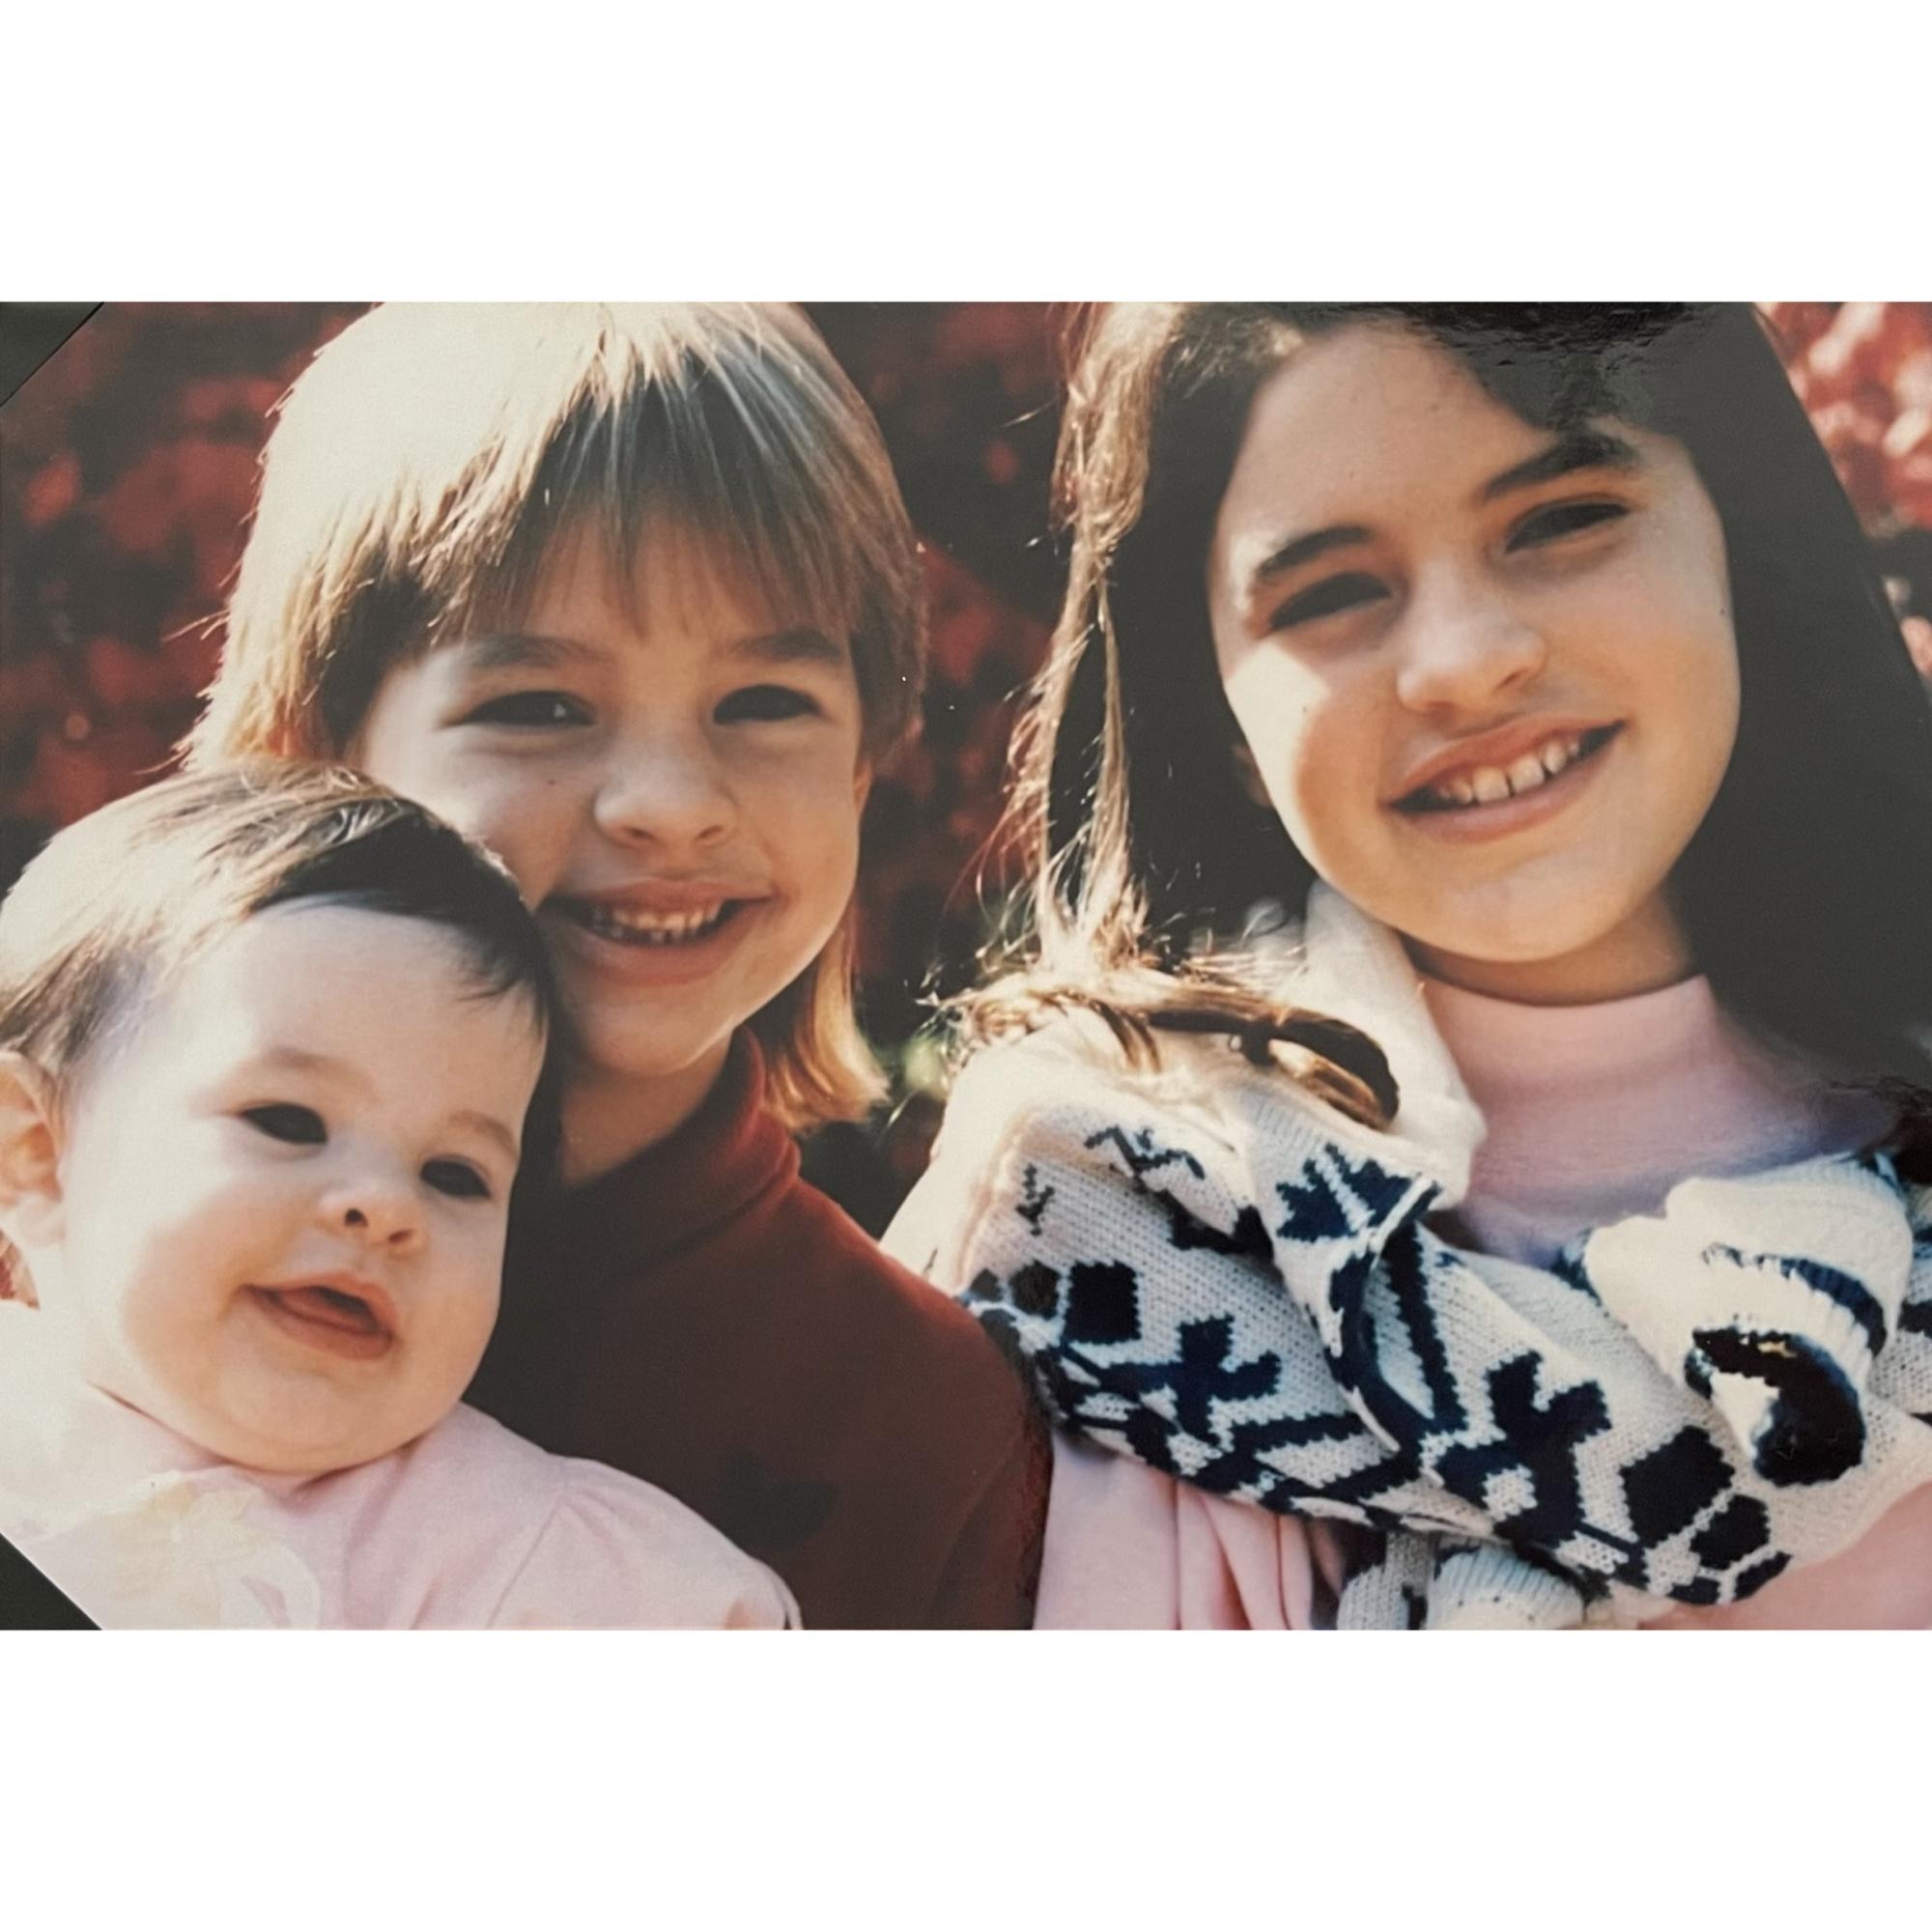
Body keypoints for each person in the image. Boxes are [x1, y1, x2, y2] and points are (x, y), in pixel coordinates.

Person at [887, 303, 1932, 1629]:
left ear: (1740, 541)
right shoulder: (1079, 1220)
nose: (1464, 662)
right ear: (1212, 720)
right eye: (1330, 594)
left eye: (1561, 519)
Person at [184, 304, 1048, 1628]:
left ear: (866, 766)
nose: (666, 805)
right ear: (318, 748)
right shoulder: (75, 1222)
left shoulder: (932, 1425)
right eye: (542, 707)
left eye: (765, 705)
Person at [0, 766, 795, 1629]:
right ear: (34, 1154)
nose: (383, 1206)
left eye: (456, 1173)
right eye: (289, 1121)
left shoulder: (544, 1576)